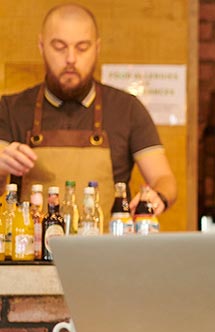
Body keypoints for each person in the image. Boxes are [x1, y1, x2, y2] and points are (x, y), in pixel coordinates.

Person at [0, 3, 176, 215]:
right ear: (41, 46)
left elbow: (163, 179)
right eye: (59, 46)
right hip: (31, 246)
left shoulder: (127, 109)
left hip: (108, 246)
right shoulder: (11, 109)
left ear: (97, 48)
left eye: (82, 47)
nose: (71, 59)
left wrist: (158, 196)